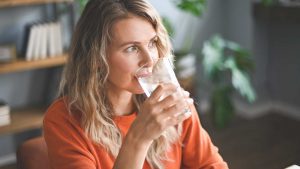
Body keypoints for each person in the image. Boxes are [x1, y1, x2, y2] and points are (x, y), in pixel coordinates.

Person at [43, 0, 229, 168]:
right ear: (96, 58)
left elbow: (210, 164)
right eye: (131, 48)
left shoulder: (170, 101)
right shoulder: (63, 120)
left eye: (152, 43)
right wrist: (138, 139)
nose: (149, 59)